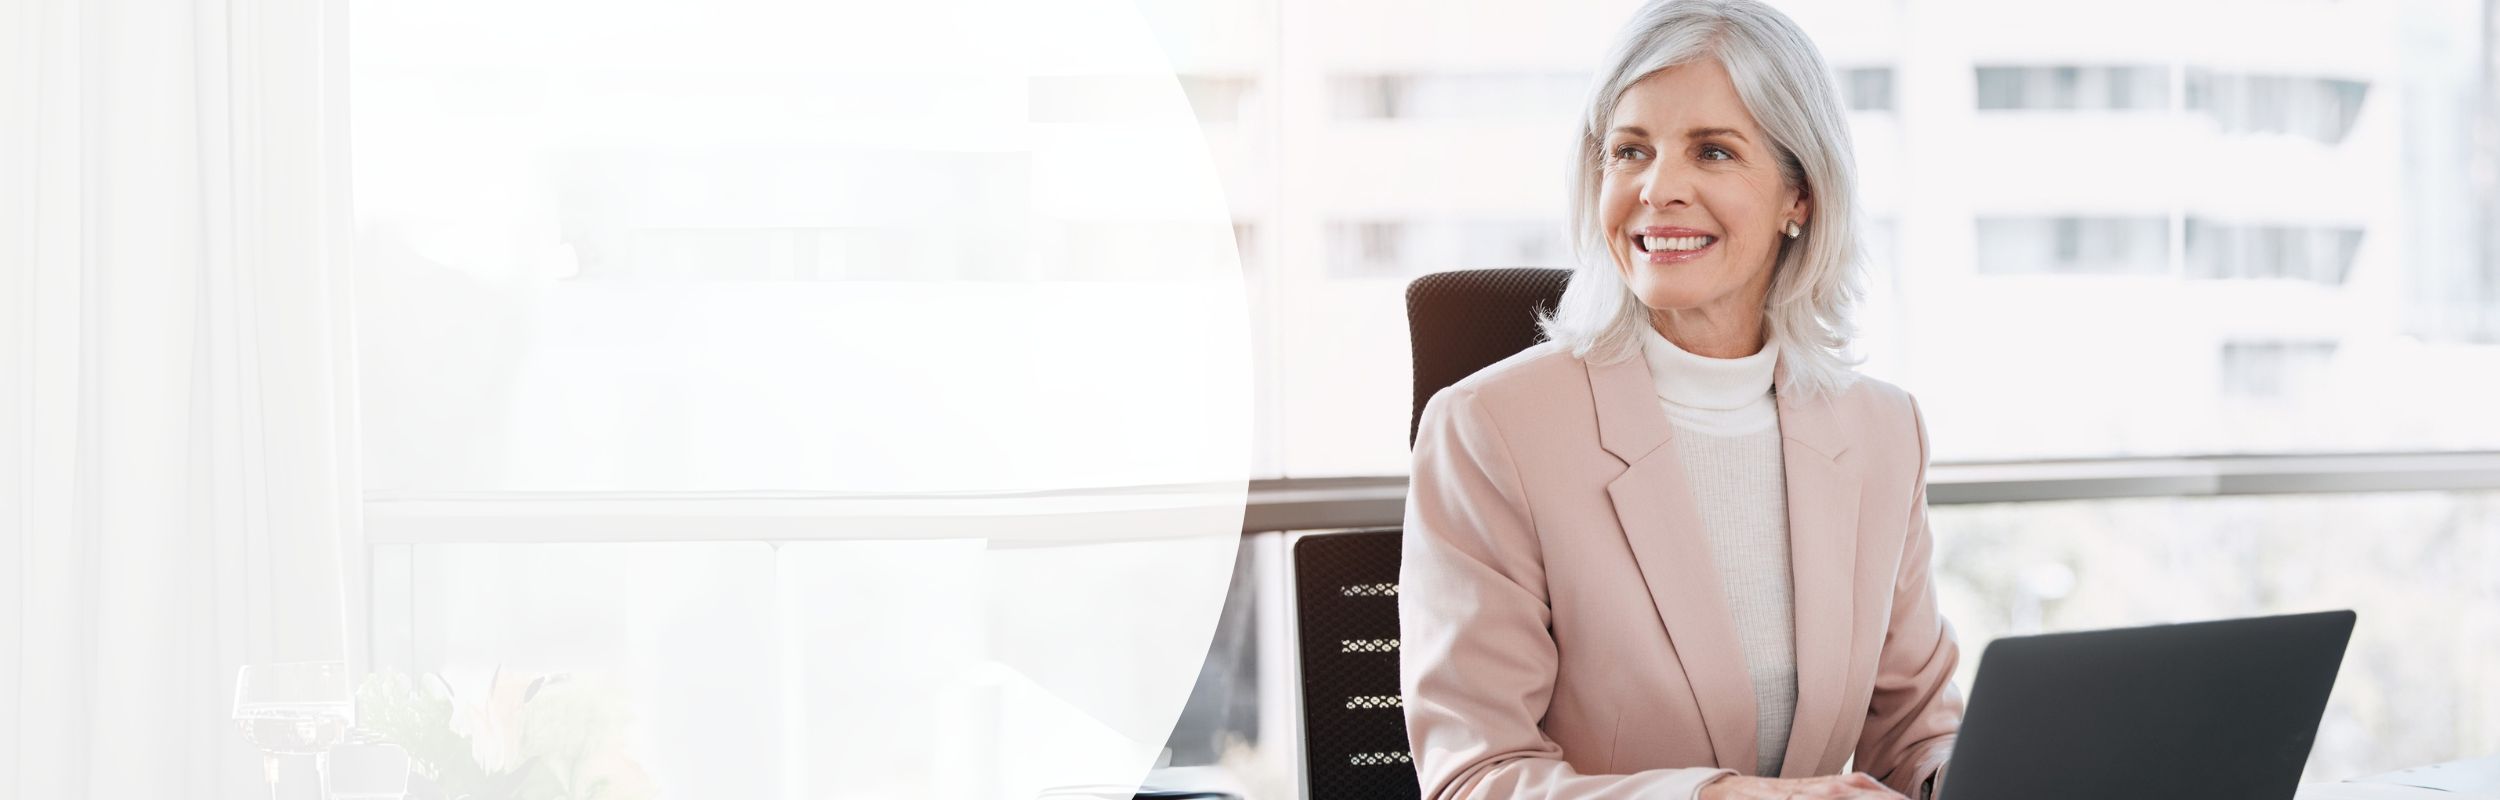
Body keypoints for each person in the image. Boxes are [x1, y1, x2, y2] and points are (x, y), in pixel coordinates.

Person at [1397, 1, 1963, 798]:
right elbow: (1476, 776)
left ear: (1798, 195)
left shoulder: (1881, 430)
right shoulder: (1489, 432)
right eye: (1630, 151)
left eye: (1714, 152)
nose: (1658, 189)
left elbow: (1913, 730)